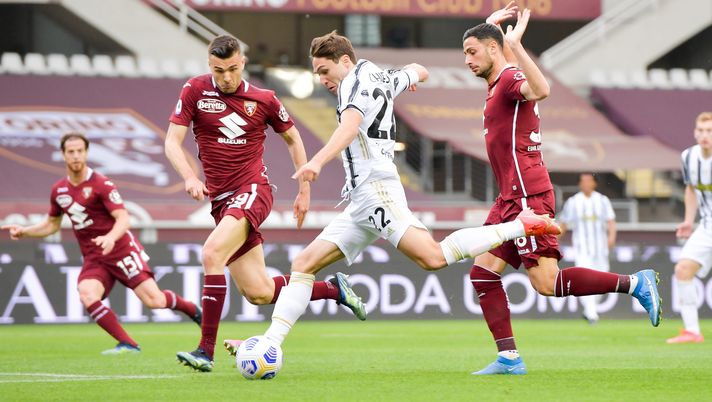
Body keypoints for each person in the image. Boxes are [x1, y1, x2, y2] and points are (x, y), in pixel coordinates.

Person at [223, 30, 562, 358]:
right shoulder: (379, 76)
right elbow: (419, 70)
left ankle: (522, 226)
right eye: (317, 73)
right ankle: (270, 344)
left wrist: (317, 162)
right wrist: (413, 75)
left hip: (377, 190)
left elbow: (349, 127)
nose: (322, 79)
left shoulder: (352, 84)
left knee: (432, 258)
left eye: (325, 71)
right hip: (360, 199)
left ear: (344, 61)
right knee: (304, 264)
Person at [461, 4, 662, 375]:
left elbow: (541, 89)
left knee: (546, 283)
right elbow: (500, 56)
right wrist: (491, 28)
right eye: (465, 54)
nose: (467, 61)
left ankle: (635, 283)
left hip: (526, 197)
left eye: (472, 52)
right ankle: (509, 358)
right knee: (483, 273)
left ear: (492, 50)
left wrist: (514, 44)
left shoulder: (507, 80)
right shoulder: (498, 80)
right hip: (509, 197)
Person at [164, 34, 366, 372]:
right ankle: (333, 290)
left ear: (242, 62)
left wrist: (305, 190)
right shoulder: (195, 91)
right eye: (218, 70)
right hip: (221, 201)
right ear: (209, 66)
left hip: (253, 190)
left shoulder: (264, 99)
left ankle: (205, 350)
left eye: (231, 69)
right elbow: (172, 141)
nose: (225, 78)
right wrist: (188, 176)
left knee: (212, 253)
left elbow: (293, 137)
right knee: (258, 291)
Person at [1, 132, 202, 355]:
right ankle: (128, 344)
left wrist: (110, 237)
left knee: (154, 300)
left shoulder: (101, 184)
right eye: (71, 152)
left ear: (86, 153)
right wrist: (25, 232)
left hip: (121, 249)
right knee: (87, 294)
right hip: (95, 257)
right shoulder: (59, 190)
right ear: (63, 155)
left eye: (80, 151)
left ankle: (192, 309)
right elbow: (51, 224)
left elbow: (123, 219)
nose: (76, 156)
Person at [666, 111, 712, 344]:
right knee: (683, 270)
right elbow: (691, 189)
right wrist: (688, 220)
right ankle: (692, 331)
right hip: (707, 226)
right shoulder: (688, 157)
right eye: (701, 130)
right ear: (695, 132)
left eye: (710, 131)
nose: (705, 135)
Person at [559, 173, 617, 324]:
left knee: (602, 280)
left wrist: (611, 237)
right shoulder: (573, 202)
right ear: (579, 184)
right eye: (583, 181)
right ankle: (592, 314)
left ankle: (589, 310)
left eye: (589, 181)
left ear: (594, 183)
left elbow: (611, 221)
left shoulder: (602, 200)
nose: (586, 184)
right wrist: (553, 242)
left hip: (600, 248)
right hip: (582, 249)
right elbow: (564, 224)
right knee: (585, 279)